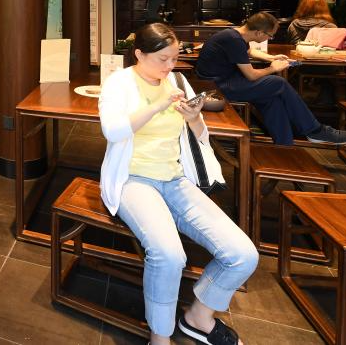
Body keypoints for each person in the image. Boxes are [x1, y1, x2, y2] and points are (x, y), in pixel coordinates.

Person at [99, 23, 257, 345]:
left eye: (174, 58)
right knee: (169, 255)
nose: (170, 66)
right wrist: (157, 105)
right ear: (139, 54)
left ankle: (199, 317)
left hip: (174, 178)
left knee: (244, 254)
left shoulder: (176, 80)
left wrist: (194, 117)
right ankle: (160, 337)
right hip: (133, 180)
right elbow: (112, 131)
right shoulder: (119, 82)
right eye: (163, 59)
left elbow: (201, 137)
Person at [195, 12, 346, 146]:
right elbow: (251, 75)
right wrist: (273, 68)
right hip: (216, 89)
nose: (269, 39)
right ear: (259, 33)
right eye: (270, 35)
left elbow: (249, 52)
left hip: (223, 83)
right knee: (278, 83)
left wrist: (271, 57)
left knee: (272, 98)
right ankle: (315, 130)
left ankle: (284, 146)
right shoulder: (234, 40)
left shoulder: (234, 34)